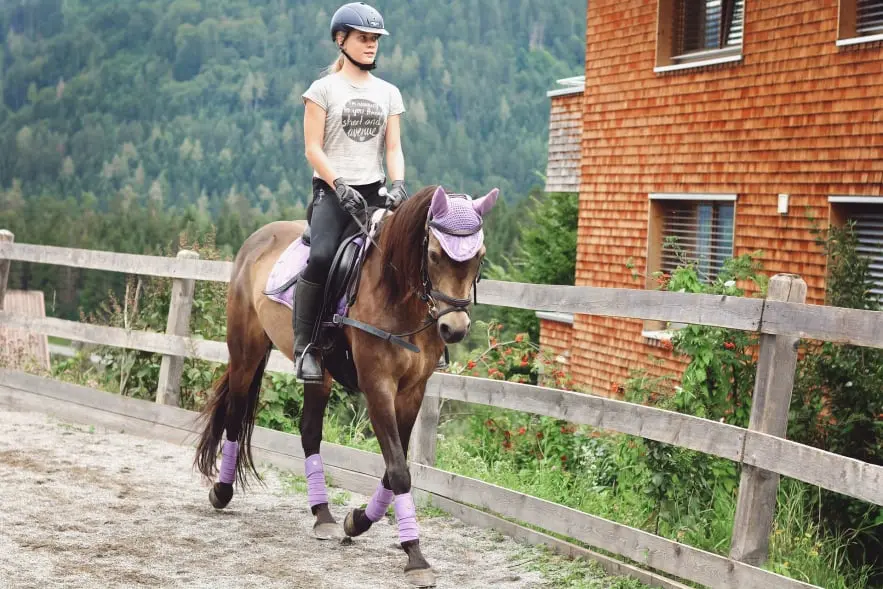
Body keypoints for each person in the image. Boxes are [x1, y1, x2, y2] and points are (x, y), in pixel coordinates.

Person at [296, 2, 408, 383]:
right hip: (332, 193)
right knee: (323, 256)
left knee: (404, 254)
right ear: (341, 40)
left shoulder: (389, 93)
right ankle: (307, 346)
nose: (371, 45)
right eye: (364, 38)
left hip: (374, 193)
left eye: (375, 39)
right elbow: (313, 147)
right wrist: (338, 184)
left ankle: (419, 338)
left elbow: (393, 148)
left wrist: (398, 185)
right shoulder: (322, 90)